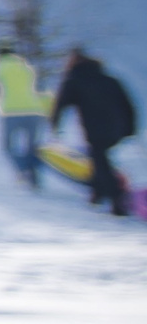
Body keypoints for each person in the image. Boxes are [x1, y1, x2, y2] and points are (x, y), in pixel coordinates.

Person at [52, 47, 137, 217]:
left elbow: (61, 103)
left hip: (96, 129)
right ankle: (98, 193)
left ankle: (117, 199)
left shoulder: (74, 79)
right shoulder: (109, 78)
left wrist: (54, 123)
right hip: (117, 128)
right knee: (99, 159)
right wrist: (130, 128)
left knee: (100, 160)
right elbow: (128, 104)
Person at [0, 44, 52, 190]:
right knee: (32, 148)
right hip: (34, 112)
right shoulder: (27, 69)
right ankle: (34, 180)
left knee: (7, 146)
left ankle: (23, 170)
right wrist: (48, 112)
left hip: (11, 113)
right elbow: (41, 92)